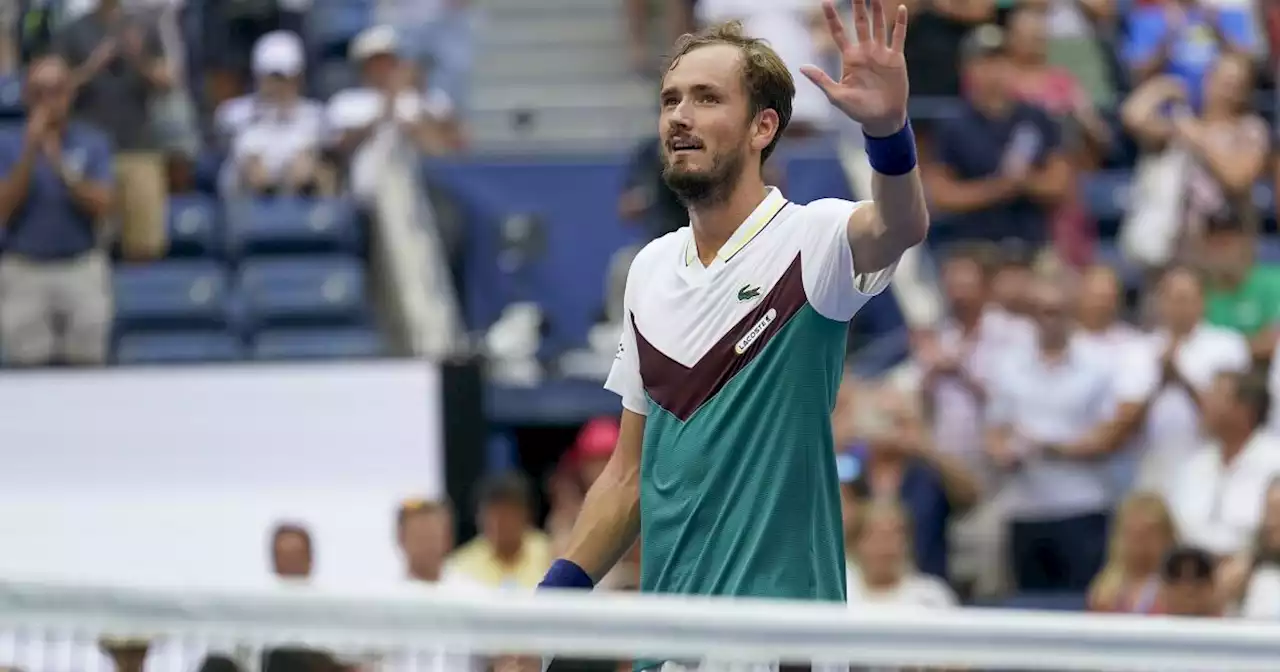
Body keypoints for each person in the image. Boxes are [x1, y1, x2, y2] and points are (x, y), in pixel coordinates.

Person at [522, 0, 927, 669]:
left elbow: (899, 227)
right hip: (669, 648)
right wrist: (546, 609)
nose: (680, 116)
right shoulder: (648, 271)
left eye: (707, 98)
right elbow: (626, 476)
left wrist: (889, 134)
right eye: (670, 99)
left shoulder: (812, 239)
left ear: (762, 126)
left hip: (783, 646)